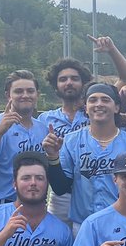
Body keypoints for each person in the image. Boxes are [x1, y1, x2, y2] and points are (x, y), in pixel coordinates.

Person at [46, 82, 126, 231]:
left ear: (116, 107)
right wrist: (53, 157)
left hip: (125, 225)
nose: (99, 104)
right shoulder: (71, 141)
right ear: (86, 108)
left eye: (105, 100)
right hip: (83, 226)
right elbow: (60, 188)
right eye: (93, 100)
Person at [0, 69, 53, 210]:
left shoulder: (42, 128)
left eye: (30, 91)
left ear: (37, 95)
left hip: (35, 206)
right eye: (18, 91)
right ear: (8, 95)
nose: (25, 95)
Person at [38, 58, 92, 224]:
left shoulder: (95, 111)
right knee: (57, 238)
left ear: (83, 83)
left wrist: (111, 49)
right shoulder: (45, 119)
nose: (69, 83)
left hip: (91, 188)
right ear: (55, 86)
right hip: (60, 194)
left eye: (74, 78)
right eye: (63, 79)